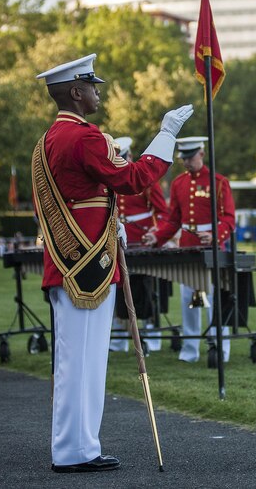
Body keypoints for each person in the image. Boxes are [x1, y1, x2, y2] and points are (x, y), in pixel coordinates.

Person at [32, 53, 193, 473]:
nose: (98, 92)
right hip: (85, 266)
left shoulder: (48, 139)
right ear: (75, 92)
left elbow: (76, 198)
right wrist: (166, 134)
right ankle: (73, 450)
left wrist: (109, 226)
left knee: (80, 361)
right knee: (81, 362)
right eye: (92, 86)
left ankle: (80, 447)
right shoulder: (84, 137)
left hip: (72, 257)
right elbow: (134, 180)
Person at [143, 136, 236, 363]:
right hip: (187, 247)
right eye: (183, 158)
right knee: (189, 300)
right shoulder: (178, 184)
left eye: (190, 157)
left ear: (202, 154)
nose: (186, 162)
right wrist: (157, 236)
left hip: (211, 249)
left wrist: (215, 235)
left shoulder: (219, 182)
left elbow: (229, 218)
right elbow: (173, 220)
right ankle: (190, 349)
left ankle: (219, 348)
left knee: (214, 301)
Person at [109, 136, 170, 353]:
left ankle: (152, 337)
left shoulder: (145, 180)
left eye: (123, 159)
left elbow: (163, 213)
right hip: (118, 241)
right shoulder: (110, 178)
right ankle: (118, 339)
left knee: (146, 290)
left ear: (130, 157)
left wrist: (156, 231)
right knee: (117, 290)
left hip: (142, 240)